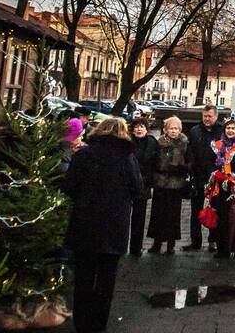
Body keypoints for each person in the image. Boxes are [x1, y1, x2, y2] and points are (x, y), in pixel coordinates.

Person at [61, 116, 143, 333]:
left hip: (85, 222)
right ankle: (99, 324)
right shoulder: (127, 157)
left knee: (83, 276)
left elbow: (68, 186)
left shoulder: (84, 154)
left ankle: (82, 323)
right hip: (114, 224)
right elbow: (138, 189)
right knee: (106, 278)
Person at [206, 116, 235, 258]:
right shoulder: (217, 145)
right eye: (228, 128)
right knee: (221, 217)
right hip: (220, 187)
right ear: (224, 129)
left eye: (233, 128)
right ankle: (222, 249)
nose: (230, 130)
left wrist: (234, 179)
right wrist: (216, 174)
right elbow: (210, 163)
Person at [147, 116, 189, 254]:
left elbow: (190, 162)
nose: (173, 131)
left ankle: (171, 245)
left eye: (176, 128)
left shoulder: (184, 143)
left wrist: (181, 169)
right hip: (160, 182)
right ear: (165, 130)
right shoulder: (159, 143)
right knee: (158, 214)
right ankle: (157, 243)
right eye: (171, 128)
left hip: (175, 183)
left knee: (173, 215)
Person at [185, 104, 223, 251]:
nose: (207, 119)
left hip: (215, 177)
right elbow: (190, 152)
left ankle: (213, 239)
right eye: (205, 116)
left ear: (216, 116)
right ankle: (195, 241)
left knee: (215, 209)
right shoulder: (194, 131)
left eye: (210, 116)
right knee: (195, 210)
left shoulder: (221, 131)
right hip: (198, 176)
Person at [129, 118, 158, 256]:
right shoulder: (127, 143)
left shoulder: (152, 143)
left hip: (144, 184)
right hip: (128, 185)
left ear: (146, 129)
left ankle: (136, 247)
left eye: (142, 127)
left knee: (139, 219)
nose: (139, 129)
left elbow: (154, 163)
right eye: (136, 127)